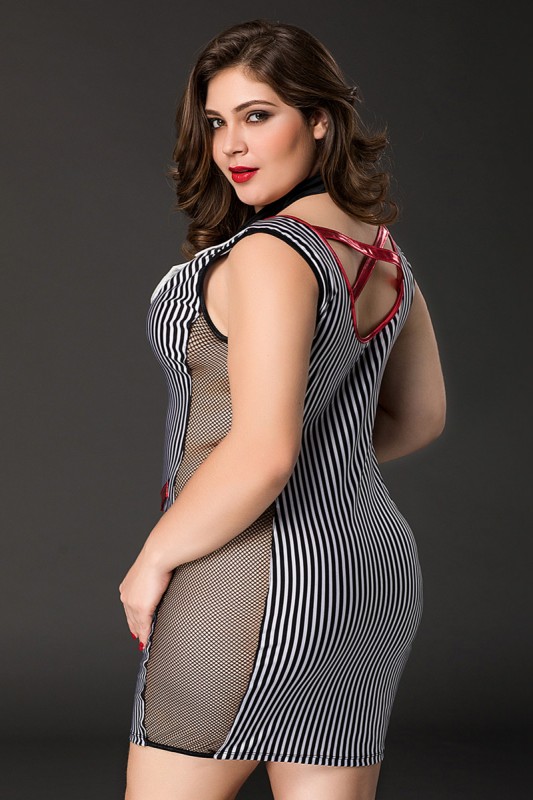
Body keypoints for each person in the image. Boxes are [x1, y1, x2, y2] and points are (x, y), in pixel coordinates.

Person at [119, 18, 446, 800]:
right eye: (215, 123)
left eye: (257, 115)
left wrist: (152, 560)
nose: (231, 145)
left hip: (246, 575)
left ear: (319, 120)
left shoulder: (270, 252)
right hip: (369, 578)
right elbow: (419, 416)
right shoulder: (380, 252)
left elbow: (263, 452)